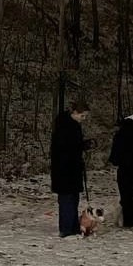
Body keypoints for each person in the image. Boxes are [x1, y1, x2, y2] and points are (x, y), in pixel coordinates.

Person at [50, 100, 92, 237]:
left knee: (73, 198)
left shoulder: (72, 125)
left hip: (71, 168)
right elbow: (65, 148)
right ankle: (67, 229)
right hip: (64, 169)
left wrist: (82, 145)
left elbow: (73, 146)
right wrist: (81, 146)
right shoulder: (65, 127)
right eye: (83, 116)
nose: (83, 119)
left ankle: (73, 226)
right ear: (75, 113)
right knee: (67, 199)